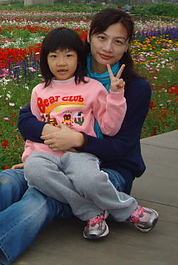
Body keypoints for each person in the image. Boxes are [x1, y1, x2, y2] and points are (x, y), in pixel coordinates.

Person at [0, 8, 157, 265]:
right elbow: (27, 118)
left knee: (43, 193)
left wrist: (78, 141)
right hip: (57, 156)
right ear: (89, 36)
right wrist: (45, 144)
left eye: (118, 41)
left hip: (109, 172)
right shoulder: (71, 66)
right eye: (102, 37)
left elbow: (123, 146)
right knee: (12, 178)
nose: (108, 47)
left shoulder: (134, 87)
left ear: (127, 46)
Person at [22, 27, 157, 240]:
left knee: (90, 180)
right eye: (54, 56)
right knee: (34, 171)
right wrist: (29, 155)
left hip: (78, 152)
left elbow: (109, 127)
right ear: (45, 60)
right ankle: (91, 212)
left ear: (79, 58)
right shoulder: (39, 91)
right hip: (47, 153)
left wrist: (115, 96)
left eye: (68, 56)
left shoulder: (92, 88)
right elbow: (35, 127)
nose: (61, 62)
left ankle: (128, 210)